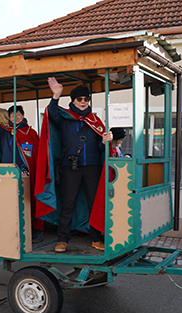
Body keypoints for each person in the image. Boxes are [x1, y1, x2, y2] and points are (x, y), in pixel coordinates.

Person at [47, 77, 112, 253]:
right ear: (73, 101)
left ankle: (96, 238)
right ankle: (62, 239)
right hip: (70, 167)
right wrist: (56, 96)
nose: (83, 102)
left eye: (86, 99)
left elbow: (100, 149)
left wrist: (105, 142)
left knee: (94, 203)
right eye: (79, 99)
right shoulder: (65, 117)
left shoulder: (95, 121)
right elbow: (51, 114)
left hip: (92, 167)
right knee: (68, 203)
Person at [0, 99, 43, 242]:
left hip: (26, 172)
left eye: (18, 115)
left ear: (23, 116)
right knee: (11, 202)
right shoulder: (5, 131)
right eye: (12, 115)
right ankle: (13, 230)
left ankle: (34, 229)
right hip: (9, 173)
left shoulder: (31, 132)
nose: (15, 117)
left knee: (28, 201)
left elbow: (36, 153)